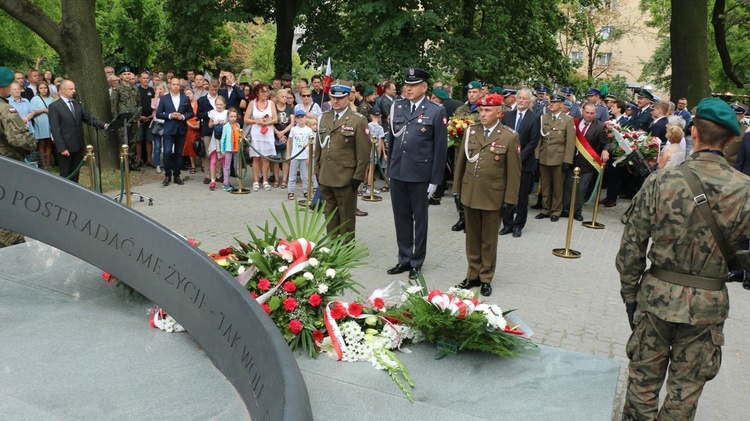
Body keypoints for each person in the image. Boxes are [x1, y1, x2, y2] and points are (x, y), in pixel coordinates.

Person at [617, 97, 750, 420]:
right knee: (685, 391)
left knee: (642, 385)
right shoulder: (745, 189)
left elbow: (631, 250)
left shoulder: (661, 181)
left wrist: (631, 298)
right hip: (707, 306)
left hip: (656, 298)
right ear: (732, 139)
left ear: (693, 131)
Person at [453, 93, 521, 297]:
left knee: (488, 240)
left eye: (487, 110)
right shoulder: (471, 132)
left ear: (499, 113)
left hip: (493, 196)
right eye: (481, 110)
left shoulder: (509, 136)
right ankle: (472, 274)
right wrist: (457, 190)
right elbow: (461, 164)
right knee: (472, 237)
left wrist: (510, 200)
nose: (482, 114)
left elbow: (514, 172)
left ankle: (486, 277)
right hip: (470, 193)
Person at [385, 68, 447, 280]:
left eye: (413, 85)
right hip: (399, 171)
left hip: (420, 174)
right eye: (407, 85)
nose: (408, 88)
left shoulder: (435, 111)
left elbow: (440, 149)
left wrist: (435, 180)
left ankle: (416, 261)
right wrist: (390, 169)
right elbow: (392, 139)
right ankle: (404, 258)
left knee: (419, 220)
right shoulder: (398, 107)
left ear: (424, 87)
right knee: (401, 217)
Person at [313, 80, 370, 241]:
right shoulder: (323, 118)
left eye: (341, 97)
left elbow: (363, 152)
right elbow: (318, 147)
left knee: (346, 215)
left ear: (349, 98)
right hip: (326, 174)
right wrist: (317, 170)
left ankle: (345, 247)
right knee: (329, 214)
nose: (336, 101)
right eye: (333, 97)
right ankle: (332, 244)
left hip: (346, 176)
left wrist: (359, 176)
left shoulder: (357, 120)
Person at [0, 66, 38, 247]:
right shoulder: (6, 110)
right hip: (7, 169)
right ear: (3, 87)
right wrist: (32, 143)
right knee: (10, 215)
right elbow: (19, 139)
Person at [499, 88, 540, 238]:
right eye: (519, 98)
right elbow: (502, 136)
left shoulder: (534, 118)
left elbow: (533, 142)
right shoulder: (508, 116)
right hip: (506, 162)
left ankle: (518, 225)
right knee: (507, 194)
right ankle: (507, 224)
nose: (521, 101)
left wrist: (518, 158)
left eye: (524, 98)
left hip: (525, 163)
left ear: (529, 101)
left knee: (522, 196)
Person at [49, 79, 108, 182]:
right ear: (62, 90)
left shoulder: (76, 104)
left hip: (78, 144)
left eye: (74, 88)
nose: (74, 91)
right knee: (66, 173)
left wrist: (104, 125)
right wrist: (62, 147)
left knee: (76, 173)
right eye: (71, 89)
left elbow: (87, 118)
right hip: (66, 145)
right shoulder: (55, 106)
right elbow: (55, 129)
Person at [563, 102, 610, 221]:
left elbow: (606, 143)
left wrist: (605, 151)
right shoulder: (573, 122)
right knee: (568, 186)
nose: (589, 115)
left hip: (587, 164)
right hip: (572, 160)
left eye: (592, 113)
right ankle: (565, 209)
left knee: (581, 188)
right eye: (587, 112)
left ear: (595, 114)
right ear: (582, 111)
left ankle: (577, 212)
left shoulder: (600, 126)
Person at [534, 92, 575, 222]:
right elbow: (539, 139)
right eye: (551, 102)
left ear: (561, 104)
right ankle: (545, 209)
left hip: (558, 157)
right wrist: (536, 157)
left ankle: (556, 211)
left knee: (557, 186)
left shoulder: (568, 120)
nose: (551, 104)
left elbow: (570, 142)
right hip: (544, 155)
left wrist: (568, 160)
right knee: (545, 185)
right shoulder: (543, 118)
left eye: (554, 102)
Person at [155, 77, 194, 186]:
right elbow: (158, 114)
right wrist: (169, 115)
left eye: (178, 84)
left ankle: (177, 175)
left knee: (178, 153)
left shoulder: (185, 98)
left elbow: (191, 113)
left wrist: (182, 116)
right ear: (170, 85)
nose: (176, 86)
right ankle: (167, 175)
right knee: (167, 153)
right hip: (169, 129)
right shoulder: (164, 99)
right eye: (174, 84)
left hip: (181, 129)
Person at [244, 82, 278, 191]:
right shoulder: (252, 104)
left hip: (267, 132)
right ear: (257, 93)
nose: (265, 93)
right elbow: (246, 119)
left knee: (266, 158)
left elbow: (275, 119)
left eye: (266, 91)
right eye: (262, 91)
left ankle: (265, 180)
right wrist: (256, 121)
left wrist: (266, 123)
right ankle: (255, 181)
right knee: (256, 158)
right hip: (256, 132)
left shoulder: (271, 103)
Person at [286, 110, 313, 200]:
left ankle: (306, 191)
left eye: (302, 117)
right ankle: (290, 191)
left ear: (305, 118)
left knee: (305, 176)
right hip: (295, 155)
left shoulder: (309, 130)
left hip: (305, 156)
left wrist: (309, 157)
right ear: (296, 119)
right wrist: (288, 154)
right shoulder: (294, 129)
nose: (300, 119)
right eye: (298, 117)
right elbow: (289, 141)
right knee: (292, 175)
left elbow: (311, 144)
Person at [272, 88, 294, 189]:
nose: (285, 98)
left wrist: (283, 132)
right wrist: (278, 133)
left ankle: (285, 179)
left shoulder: (290, 108)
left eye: (286, 97)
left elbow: (292, 123)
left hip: (287, 135)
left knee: (285, 158)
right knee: (276, 159)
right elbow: (270, 122)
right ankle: (276, 179)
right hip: (275, 135)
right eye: (283, 97)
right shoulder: (274, 107)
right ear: (278, 97)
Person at [207, 96, 228, 191]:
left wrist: (225, 123)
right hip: (215, 138)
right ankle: (212, 180)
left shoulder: (227, 113)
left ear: (224, 105)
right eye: (217, 104)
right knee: (214, 159)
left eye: (221, 104)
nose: (219, 106)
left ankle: (226, 180)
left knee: (224, 160)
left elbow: (231, 123)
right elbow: (209, 125)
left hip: (224, 139)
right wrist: (214, 123)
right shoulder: (212, 112)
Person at [30, 82, 53, 169]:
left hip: (50, 123)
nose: (44, 90)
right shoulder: (35, 99)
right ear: (38, 90)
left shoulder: (51, 99)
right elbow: (32, 112)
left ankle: (48, 163)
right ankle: (43, 164)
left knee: (49, 143)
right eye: (41, 88)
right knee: (42, 143)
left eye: (45, 88)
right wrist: (43, 110)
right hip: (40, 123)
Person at [219, 108, 242, 191]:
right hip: (228, 150)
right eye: (231, 116)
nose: (233, 118)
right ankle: (225, 183)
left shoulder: (238, 125)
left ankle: (239, 182)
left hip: (237, 149)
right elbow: (223, 139)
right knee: (227, 167)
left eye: (235, 116)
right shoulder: (225, 126)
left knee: (237, 166)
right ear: (228, 117)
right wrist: (223, 151)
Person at [182, 87, 200, 174]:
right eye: (187, 94)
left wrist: (199, 124)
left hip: (199, 125)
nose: (189, 95)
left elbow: (201, 114)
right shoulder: (184, 104)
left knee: (200, 144)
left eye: (190, 93)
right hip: (189, 126)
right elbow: (183, 117)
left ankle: (203, 164)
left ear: (193, 94)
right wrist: (191, 126)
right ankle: (193, 165)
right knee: (190, 145)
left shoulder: (198, 102)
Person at [149, 83, 166, 174]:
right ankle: (158, 164)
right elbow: (154, 106)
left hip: (166, 123)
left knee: (166, 145)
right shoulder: (154, 99)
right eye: (157, 89)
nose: (159, 91)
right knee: (157, 145)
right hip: (157, 124)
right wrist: (156, 96)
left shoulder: (167, 99)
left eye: (161, 89)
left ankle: (166, 163)